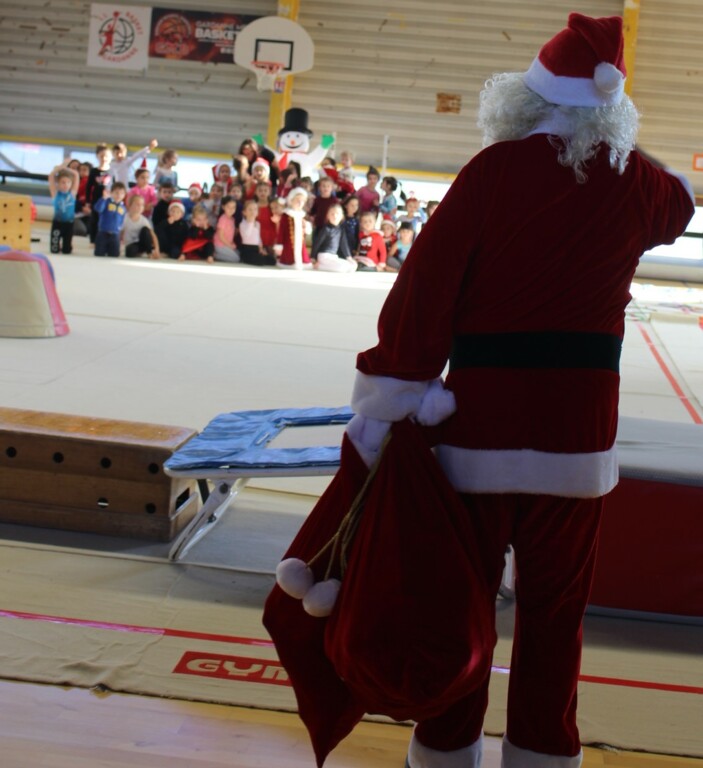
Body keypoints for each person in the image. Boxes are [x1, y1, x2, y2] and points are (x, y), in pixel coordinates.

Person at [345, 14, 694, 768]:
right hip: (577, 440)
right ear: (612, 112)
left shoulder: (492, 171)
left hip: (478, 432)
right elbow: (679, 197)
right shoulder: (636, 184)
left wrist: (394, 390)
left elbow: (423, 293)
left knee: (458, 603)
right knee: (555, 615)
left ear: (524, 98)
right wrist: (619, 131)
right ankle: (540, 750)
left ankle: (446, 747)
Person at [311, 203, 357, 273]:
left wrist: (349, 257)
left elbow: (344, 245)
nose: (335, 216)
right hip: (324, 256)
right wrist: (313, 257)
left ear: (341, 216)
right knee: (342, 267)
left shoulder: (341, 230)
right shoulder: (326, 229)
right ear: (328, 216)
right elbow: (317, 243)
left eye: (337, 214)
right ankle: (319, 266)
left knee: (352, 266)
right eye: (332, 214)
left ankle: (324, 266)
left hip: (333, 256)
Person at [48, 161, 79, 254]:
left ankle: (66, 246)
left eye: (68, 182)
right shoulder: (55, 194)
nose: (65, 185)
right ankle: (58, 246)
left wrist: (67, 169)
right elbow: (51, 176)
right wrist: (61, 167)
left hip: (69, 223)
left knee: (67, 251)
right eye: (63, 182)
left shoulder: (72, 194)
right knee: (54, 250)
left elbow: (76, 175)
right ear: (58, 183)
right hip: (57, 222)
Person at [276, 188, 312, 269]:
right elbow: (281, 231)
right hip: (288, 244)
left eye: (302, 201)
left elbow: (306, 231)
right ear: (291, 200)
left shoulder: (303, 215)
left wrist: (306, 227)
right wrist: (279, 244)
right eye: (297, 200)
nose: (300, 203)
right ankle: (289, 263)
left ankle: (302, 262)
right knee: (289, 255)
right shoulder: (286, 215)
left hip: (300, 243)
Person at [85, 143, 113, 243]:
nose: (104, 158)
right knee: (95, 219)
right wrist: (88, 201)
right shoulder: (94, 171)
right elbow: (89, 187)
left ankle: (106, 239)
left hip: (109, 200)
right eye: (101, 156)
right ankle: (93, 240)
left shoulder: (112, 171)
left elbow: (115, 186)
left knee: (107, 219)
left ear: (110, 158)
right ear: (97, 157)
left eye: (106, 156)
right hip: (96, 199)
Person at [93, 182, 127, 257]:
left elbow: (122, 221)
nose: (119, 195)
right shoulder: (106, 202)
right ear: (111, 193)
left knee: (114, 254)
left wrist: (121, 234)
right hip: (103, 232)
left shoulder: (123, 208)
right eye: (116, 193)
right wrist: (103, 199)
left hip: (115, 234)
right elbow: (98, 209)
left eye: (122, 193)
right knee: (99, 253)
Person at [121, 194, 160, 259]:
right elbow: (120, 233)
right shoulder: (124, 218)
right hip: (131, 244)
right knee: (129, 252)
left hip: (142, 242)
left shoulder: (144, 220)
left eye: (142, 205)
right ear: (130, 205)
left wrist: (157, 249)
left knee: (145, 230)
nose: (140, 207)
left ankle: (149, 252)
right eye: (137, 204)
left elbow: (153, 235)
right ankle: (140, 252)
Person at [239, 199, 276, 266]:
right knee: (260, 261)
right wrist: (251, 223)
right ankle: (245, 258)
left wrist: (261, 249)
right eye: (250, 209)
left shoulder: (258, 224)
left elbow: (258, 238)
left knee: (272, 260)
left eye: (255, 209)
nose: (253, 212)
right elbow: (246, 235)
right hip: (247, 249)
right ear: (244, 212)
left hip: (256, 248)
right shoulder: (242, 224)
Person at [213, 195, 239, 263]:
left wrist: (231, 243)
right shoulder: (223, 219)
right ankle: (215, 255)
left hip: (226, 244)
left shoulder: (232, 219)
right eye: (228, 207)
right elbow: (221, 236)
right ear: (223, 207)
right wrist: (229, 245)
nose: (231, 209)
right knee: (236, 259)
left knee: (239, 254)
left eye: (233, 207)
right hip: (220, 244)